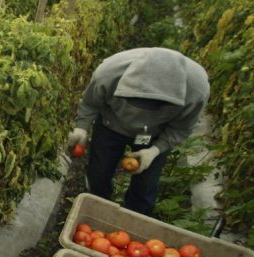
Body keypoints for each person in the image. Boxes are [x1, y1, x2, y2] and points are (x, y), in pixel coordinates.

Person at [67, 47, 210, 216]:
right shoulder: (108, 74)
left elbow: (181, 128)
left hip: (155, 135)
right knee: (99, 174)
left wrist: (155, 150)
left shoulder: (196, 91)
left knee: (145, 187)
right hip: (111, 124)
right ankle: (97, 213)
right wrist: (81, 128)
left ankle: (133, 222)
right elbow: (90, 103)